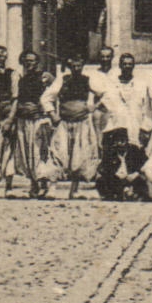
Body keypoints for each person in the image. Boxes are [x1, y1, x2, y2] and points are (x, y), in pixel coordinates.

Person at [42, 56, 101, 199]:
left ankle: (74, 190)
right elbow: (45, 98)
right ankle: (52, 188)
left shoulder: (88, 80)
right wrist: (52, 115)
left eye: (79, 65)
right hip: (64, 123)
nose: (76, 68)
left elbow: (103, 94)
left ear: (83, 65)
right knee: (58, 153)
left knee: (79, 156)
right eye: (73, 65)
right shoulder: (62, 79)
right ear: (69, 66)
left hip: (82, 123)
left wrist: (93, 107)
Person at [8, 51, 53, 199]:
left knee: (38, 151)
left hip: (38, 119)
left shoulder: (44, 77)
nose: (29, 63)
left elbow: (51, 95)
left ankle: (43, 185)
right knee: (26, 152)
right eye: (26, 61)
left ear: (37, 62)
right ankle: (33, 185)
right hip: (23, 119)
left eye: (32, 61)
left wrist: (42, 110)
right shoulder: (21, 79)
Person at [93, 132, 149, 201]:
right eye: (117, 141)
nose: (120, 143)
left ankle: (136, 195)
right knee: (101, 180)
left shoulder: (134, 150)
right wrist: (114, 174)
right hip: (116, 179)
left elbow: (145, 163)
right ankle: (112, 195)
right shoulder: (110, 152)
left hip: (132, 177)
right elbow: (102, 168)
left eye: (122, 141)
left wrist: (136, 173)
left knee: (142, 179)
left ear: (127, 141)